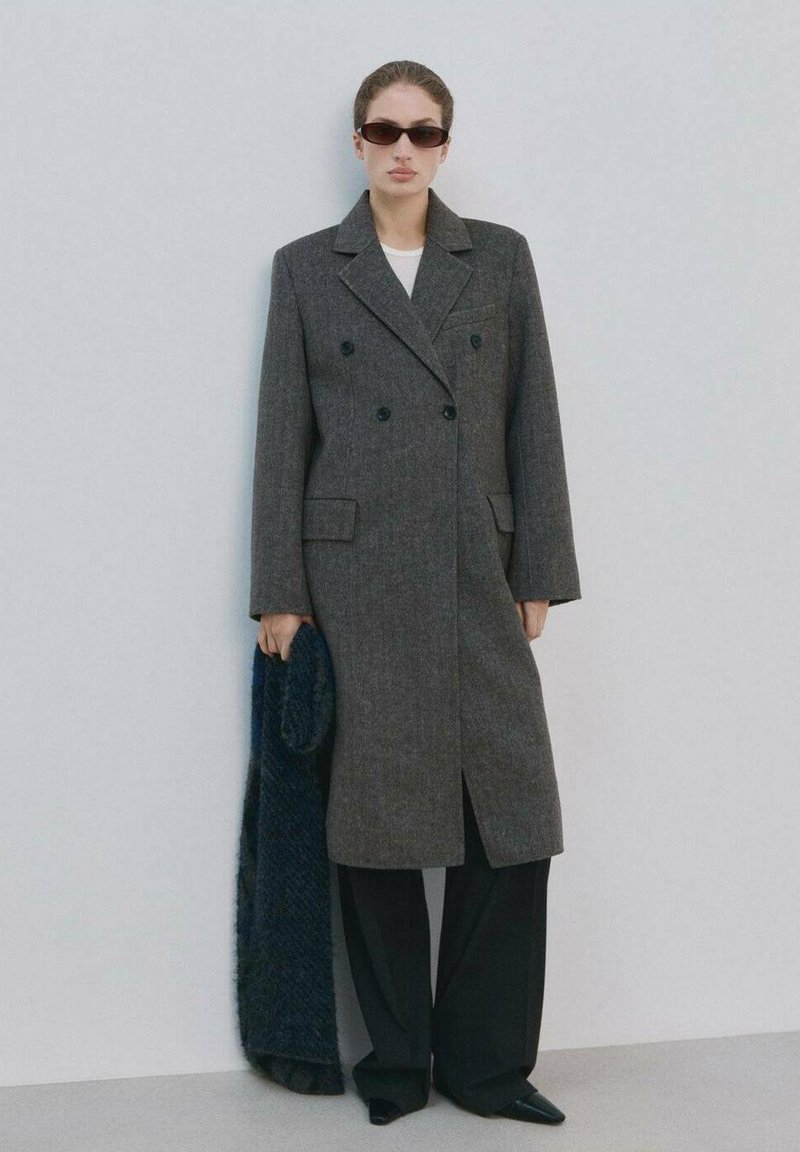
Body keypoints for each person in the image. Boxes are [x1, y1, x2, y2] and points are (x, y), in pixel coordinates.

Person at [249, 60, 581, 1126]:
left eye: (423, 131)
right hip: (356, 579)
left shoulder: (499, 258)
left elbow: (532, 416)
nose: (403, 149)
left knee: (510, 818)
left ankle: (487, 1067)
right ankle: (395, 1065)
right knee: (376, 822)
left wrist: (539, 568)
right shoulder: (309, 268)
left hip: (477, 569)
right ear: (358, 142)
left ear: (444, 143)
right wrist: (280, 591)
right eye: (384, 130)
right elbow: (282, 436)